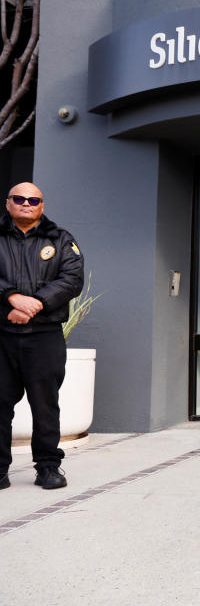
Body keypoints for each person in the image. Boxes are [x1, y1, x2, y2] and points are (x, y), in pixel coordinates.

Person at [0, 183, 84, 491]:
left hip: (44, 335)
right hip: (2, 334)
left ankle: (48, 467)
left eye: (32, 200)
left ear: (41, 206)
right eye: (18, 198)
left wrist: (35, 303)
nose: (26, 203)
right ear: (8, 203)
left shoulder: (60, 239)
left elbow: (72, 279)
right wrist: (10, 297)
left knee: (45, 404)